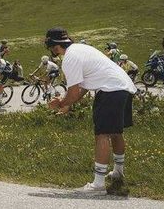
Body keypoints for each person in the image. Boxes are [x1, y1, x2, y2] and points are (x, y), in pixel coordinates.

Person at [45, 27, 137, 194]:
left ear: (54, 46)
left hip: (109, 90)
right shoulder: (81, 49)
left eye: (50, 48)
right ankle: (118, 173)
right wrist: (67, 105)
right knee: (116, 132)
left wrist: (60, 103)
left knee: (102, 135)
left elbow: (73, 92)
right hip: (124, 86)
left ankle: (98, 184)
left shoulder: (69, 58)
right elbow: (83, 87)